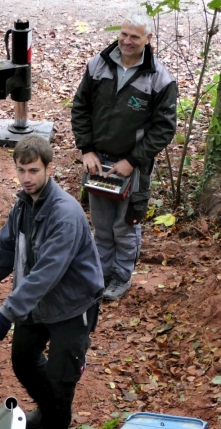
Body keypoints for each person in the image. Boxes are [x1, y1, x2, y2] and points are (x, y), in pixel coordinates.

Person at [0, 136, 103, 429]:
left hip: (71, 305)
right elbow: (5, 250)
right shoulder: (24, 205)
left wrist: (8, 310)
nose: (26, 177)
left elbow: (47, 272)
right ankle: (48, 408)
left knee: (62, 378)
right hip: (36, 304)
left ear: (49, 169)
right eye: (21, 170)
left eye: (33, 170)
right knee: (23, 360)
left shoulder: (64, 214)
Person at [71, 11, 176, 301]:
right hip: (98, 161)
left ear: (148, 39)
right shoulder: (97, 66)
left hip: (134, 167)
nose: (127, 41)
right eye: (124, 34)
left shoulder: (160, 79)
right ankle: (100, 275)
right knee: (102, 226)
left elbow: (164, 128)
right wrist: (86, 149)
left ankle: (120, 277)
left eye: (135, 36)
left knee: (126, 225)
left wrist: (132, 161)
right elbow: (80, 108)